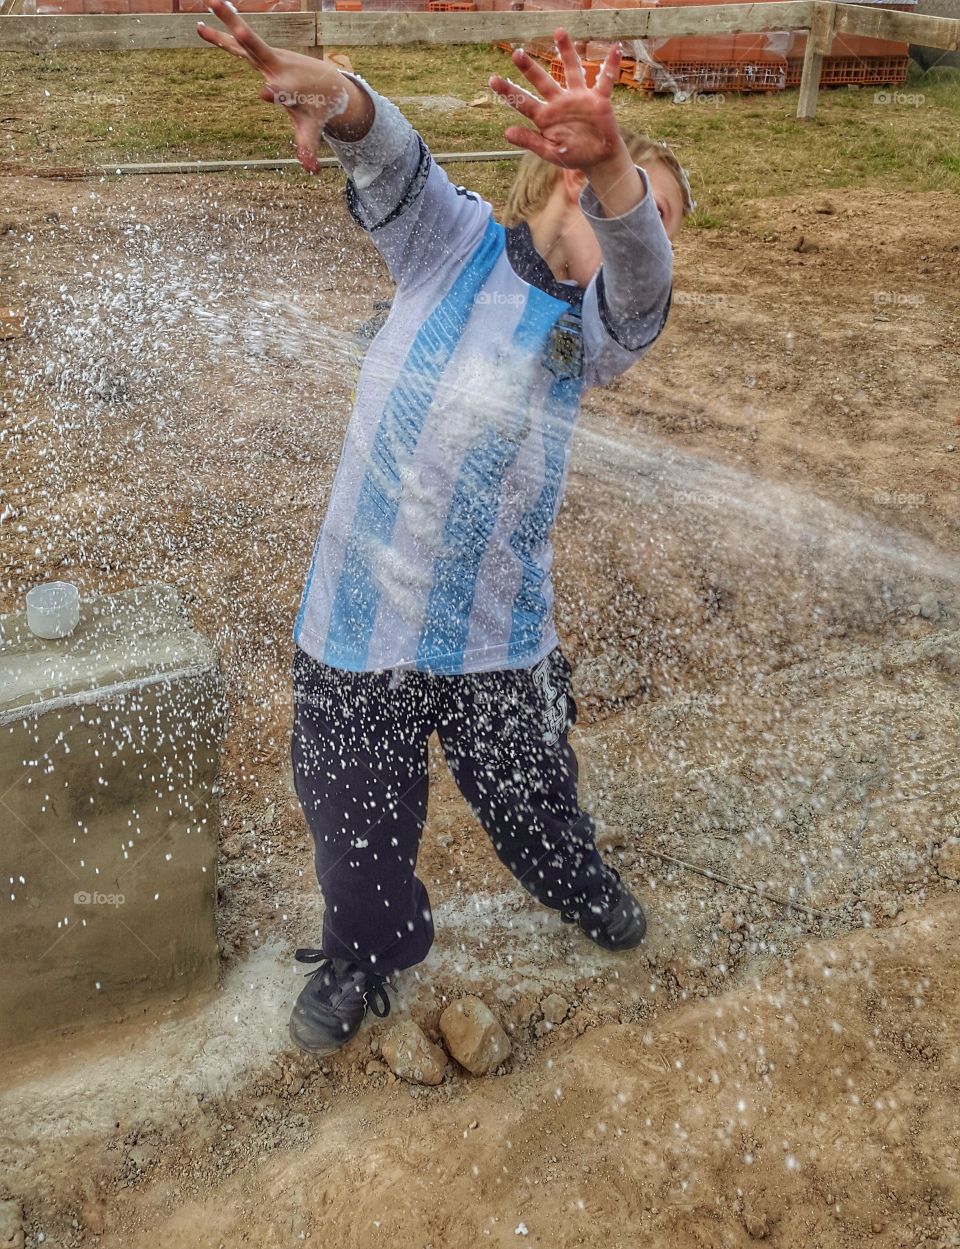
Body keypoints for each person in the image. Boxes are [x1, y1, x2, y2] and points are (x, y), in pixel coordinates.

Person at [198, 0, 693, 1055]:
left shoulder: (591, 331)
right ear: (568, 183)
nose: (645, 240)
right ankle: (361, 953)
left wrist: (622, 179)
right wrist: (336, 96)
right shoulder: (447, 243)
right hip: (358, 622)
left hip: (493, 637)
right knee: (356, 837)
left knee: (535, 801)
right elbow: (389, 148)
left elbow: (643, 287)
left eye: (647, 220)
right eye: (633, 207)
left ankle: (581, 884)